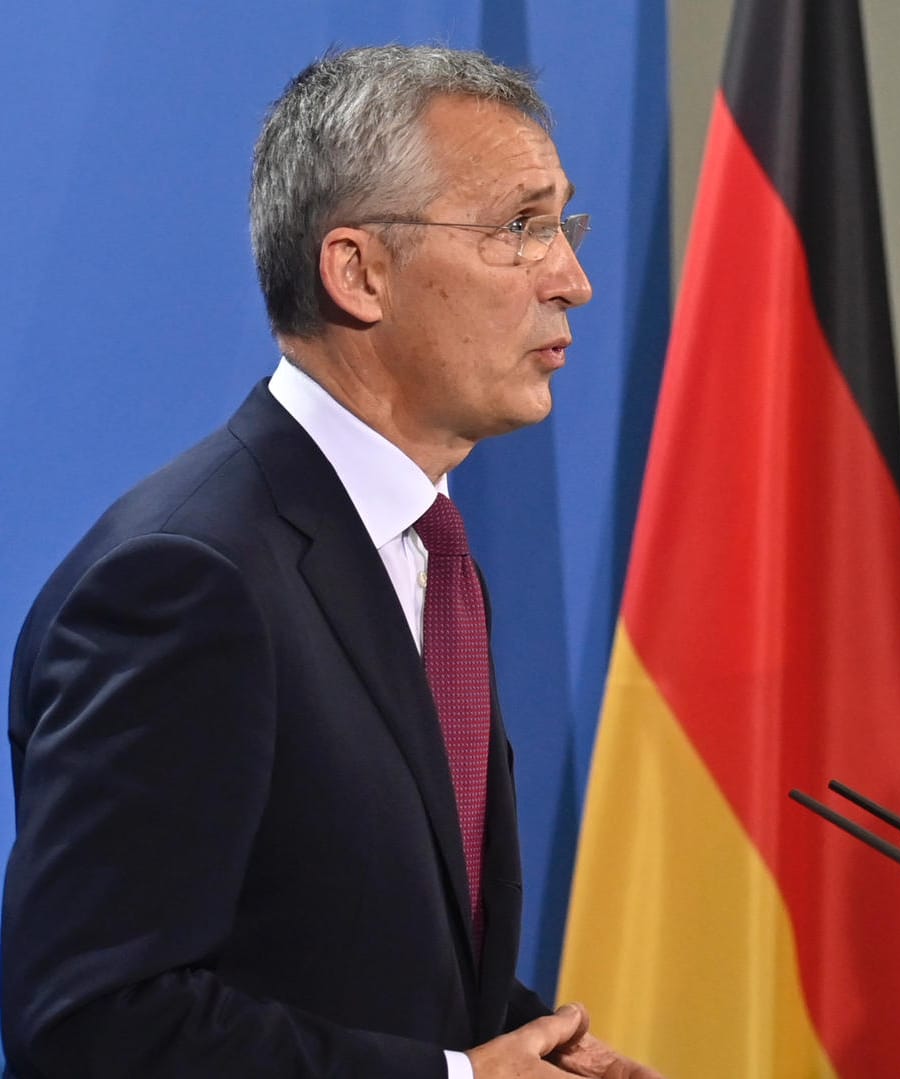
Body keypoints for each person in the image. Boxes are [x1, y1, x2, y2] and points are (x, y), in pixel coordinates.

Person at [3, 46, 661, 1079]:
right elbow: (95, 1024)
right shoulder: (185, 580)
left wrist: (539, 1049)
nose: (571, 279)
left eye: (561, 224)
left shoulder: (427, 553)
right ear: (358, 272)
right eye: (519, 228)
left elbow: (355, 950)